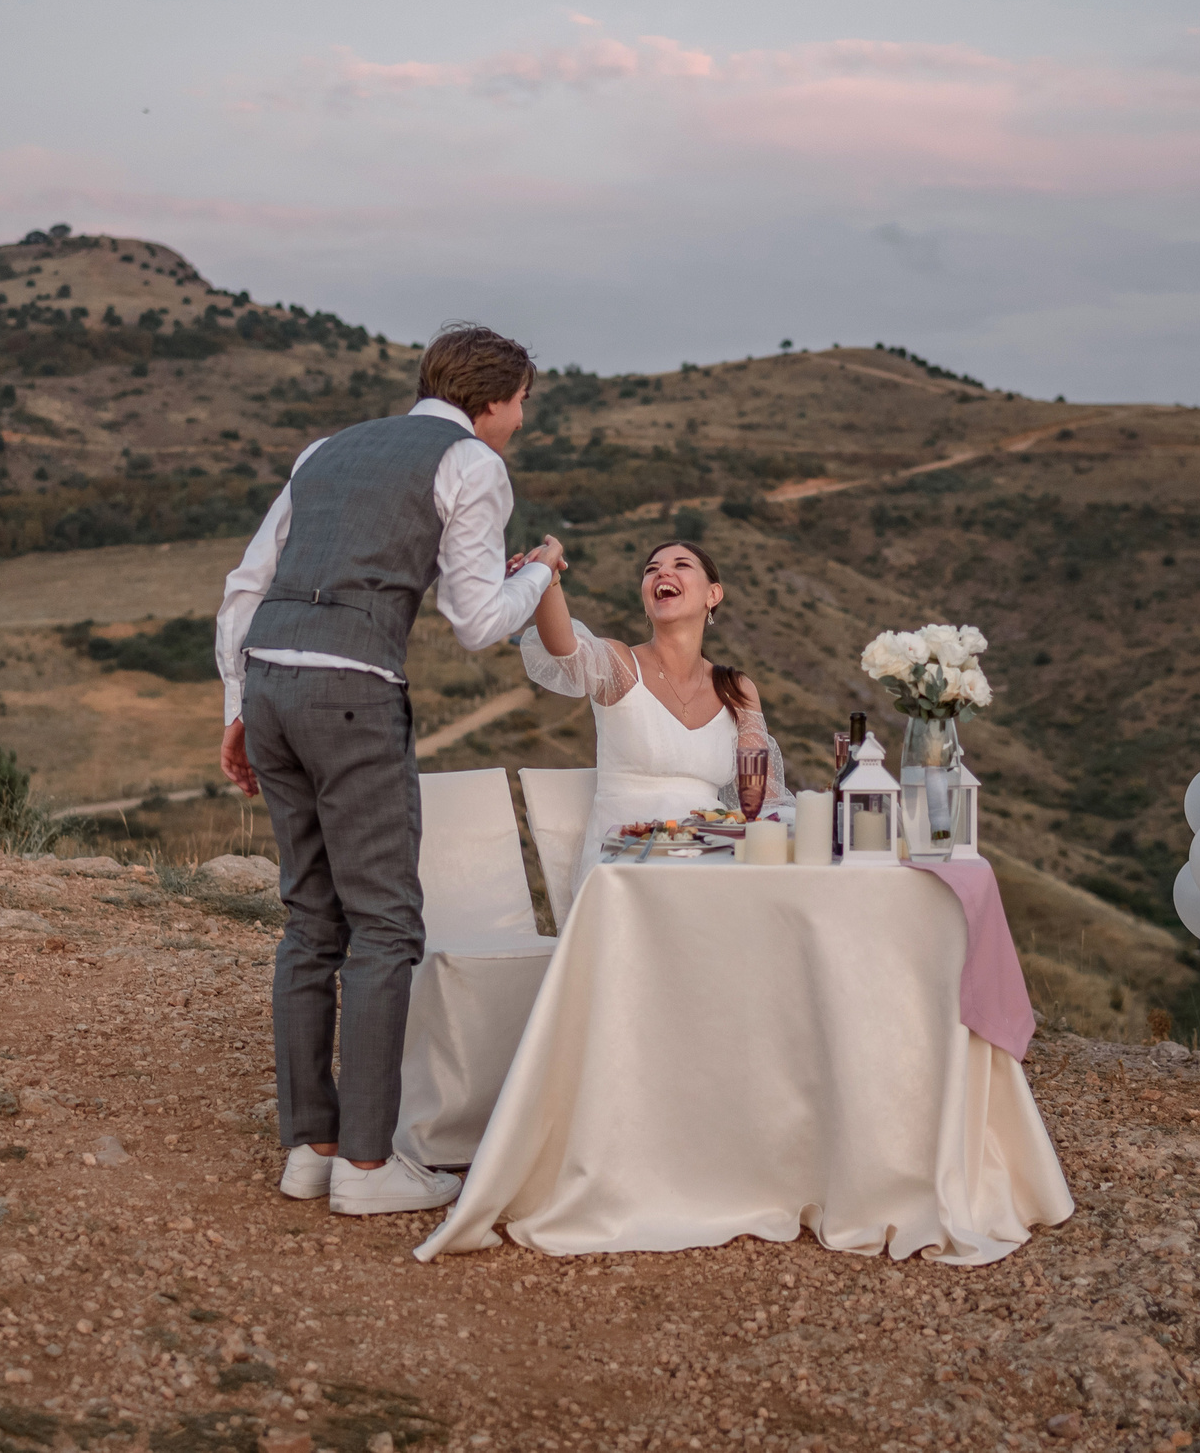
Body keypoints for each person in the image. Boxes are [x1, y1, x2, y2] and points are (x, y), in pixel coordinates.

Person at [215, 323, 563, 1217]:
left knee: (309, 917)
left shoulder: (326, 450)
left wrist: (236, 706)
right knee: (384, 924)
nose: (519, 420)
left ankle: (310, 1149)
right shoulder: (473, 463)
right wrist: (543, 573)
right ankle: (367, 1169)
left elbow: (247, 583)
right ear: (493, 401)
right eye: (521, 403)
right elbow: (479, 619)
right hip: (352, 694)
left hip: (270, 684)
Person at [521, 539, 790, 899]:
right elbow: (563, 647)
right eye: (652, 569)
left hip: (713, 857)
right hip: (625, 862)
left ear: (713, 595)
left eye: (681, 565)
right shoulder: (620, 666)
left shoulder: (737, 690)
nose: (663, 572)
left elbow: (763, 802)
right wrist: (548, 578)